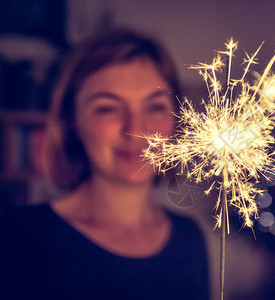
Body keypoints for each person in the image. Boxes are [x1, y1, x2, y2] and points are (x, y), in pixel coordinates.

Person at [0, 29, 209, 299]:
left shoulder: (189, 238)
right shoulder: (17, 237)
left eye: (155, 107)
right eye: (108, 108)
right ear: (73, 122)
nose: (136, 129)